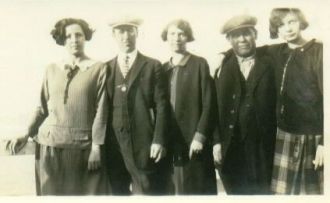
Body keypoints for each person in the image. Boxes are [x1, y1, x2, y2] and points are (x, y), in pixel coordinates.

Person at [7, 18, 110, 195]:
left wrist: (96, 148)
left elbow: (101, 112)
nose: (74, 40)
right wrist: (26, 134)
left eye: (78, 35)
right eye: (68, 36)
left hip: (83, 150)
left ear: (86, 37)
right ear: (62, 40)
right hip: (50, 149)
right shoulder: (51, 69)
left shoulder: (99, 68)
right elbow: (41, 108)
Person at [104, 17, 170, 195]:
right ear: (114, 35)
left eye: (130, 31)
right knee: (117, 192)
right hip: (114, 147)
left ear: (137, 33)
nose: (126, 36)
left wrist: (158, 140)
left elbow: (162, 106)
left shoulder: (152, 65)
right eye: (121, 31)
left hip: (144, 145)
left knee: (147, 190)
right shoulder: (106, 68)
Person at [213, 15, 277, 194]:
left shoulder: (271, 59)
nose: (242, 39)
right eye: (236, 35)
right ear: (229, 39)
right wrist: (216, 141)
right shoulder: (222, 67)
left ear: (255, 34)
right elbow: (212, 108)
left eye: (247, 34)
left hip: (264, 148)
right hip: (231, 147)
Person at [266, 8, 323, 194]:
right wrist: (222, 55)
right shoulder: (276, 51)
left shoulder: (318, 52)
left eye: (291, 22)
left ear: (301, 22)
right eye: (281, 25)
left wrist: (325, 143)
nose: (287, 28)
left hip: (313, 138)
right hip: (285, 135)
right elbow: (248, 50)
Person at [161, 19, 217, 195]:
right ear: (166, 37)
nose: (176, 38)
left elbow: (209, 103)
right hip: (171, 141)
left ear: (188, 37)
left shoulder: (199, 64)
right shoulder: (163, 69)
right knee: (174, 188)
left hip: (194, 141)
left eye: (181, 34)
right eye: (172, 34)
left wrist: (200, 137)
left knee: (196, 188)